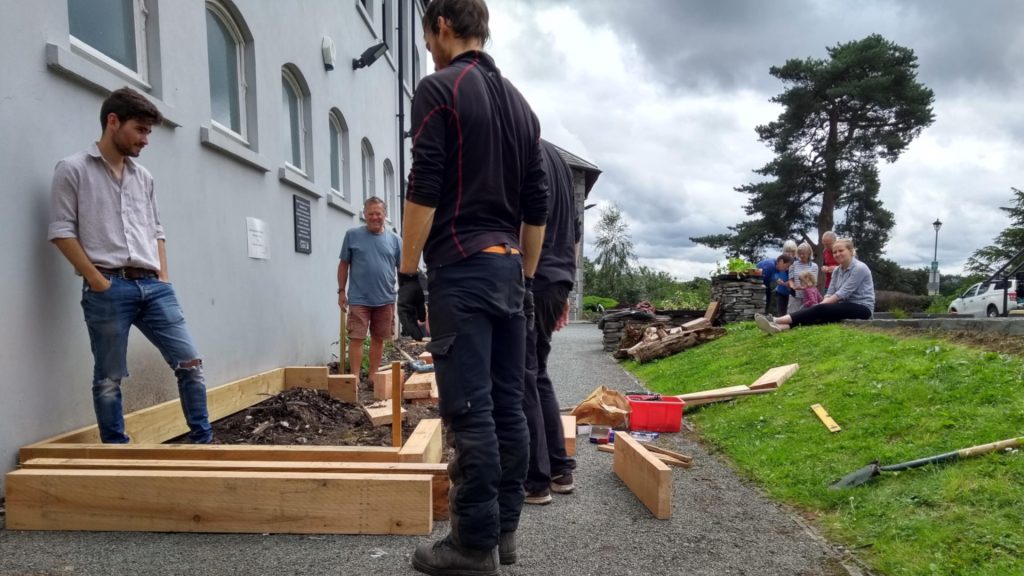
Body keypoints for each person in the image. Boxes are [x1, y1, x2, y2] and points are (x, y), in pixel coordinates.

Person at [397, 0, 549, 573]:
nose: (427, 48)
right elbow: (538, 206)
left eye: (427, 36)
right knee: (509, 406)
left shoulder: (440, 88)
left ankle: (471, 546)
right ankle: (503, 535)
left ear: (441, 26)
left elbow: (425, 185)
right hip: (509, 269)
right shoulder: (522, 107)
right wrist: (526, 280)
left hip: (461, 271)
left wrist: (407, 274)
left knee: (470, 411)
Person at [48, 87, 213, 444]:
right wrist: (97, 280)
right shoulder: (73, 169)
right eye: (140, 129)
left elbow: (157, 231)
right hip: (108, 286)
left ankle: (203, 443)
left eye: (148, 132)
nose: (145, 139)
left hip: (154, 287)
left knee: (190, 363)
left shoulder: (144, 177)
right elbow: (61, 231)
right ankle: (116, 452)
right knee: (109, 377)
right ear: (113, 121)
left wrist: (163, 277)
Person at [522, 140, 579, 506]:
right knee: (537, 373)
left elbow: (526, 217)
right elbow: (575, 232)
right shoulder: (559, 161)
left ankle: (535, 480)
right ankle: (559, 468)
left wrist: (523, 280)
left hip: (532, 276)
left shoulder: (522, 148)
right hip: (557, 279)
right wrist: (566, 288)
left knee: (522, 376)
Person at [337, 196, 402, 380]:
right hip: (359, 299)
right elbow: (343, 265)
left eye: (378, 213)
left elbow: (402, 269)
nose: (374, 217)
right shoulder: (352, 235)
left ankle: (373, 376)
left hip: (385, 298)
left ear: (385, 215)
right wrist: (341, 291)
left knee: (378, 339)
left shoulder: (395, 240)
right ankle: (355, 378)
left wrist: (405, 294)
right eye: (370, 213)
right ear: (364, 214)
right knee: (356, 338)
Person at [754, 238, 874, 333]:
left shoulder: (859, 268)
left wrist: (819, 306)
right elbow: (830, 293)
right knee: (819, 316)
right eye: (835, 252)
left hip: (862, 308)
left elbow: (841, 294)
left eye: (841, 250)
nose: (837, 254)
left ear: (851, 251)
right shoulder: (837, 271)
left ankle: (775, 320)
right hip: (844, 305)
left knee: (820, 309)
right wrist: (820, 306)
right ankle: (780, 328)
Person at [787, 242, 819, 314]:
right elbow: (791, 279)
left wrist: (802, 288)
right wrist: (793, 286)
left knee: (805, 316)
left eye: (803, 253)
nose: (801, 255)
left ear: (809, 253)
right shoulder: (793, 264)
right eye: (800, 253)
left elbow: (813, 283)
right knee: (791, 315)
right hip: (795, 295)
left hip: (808, 296)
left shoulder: (814, 266)